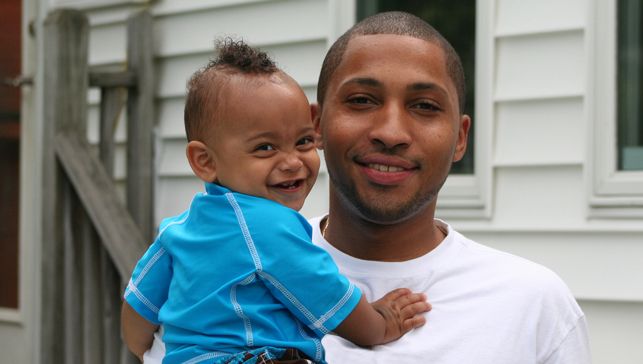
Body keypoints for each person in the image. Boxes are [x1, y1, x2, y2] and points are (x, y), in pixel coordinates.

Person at [146, 11, 592, 364]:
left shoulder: (532, 304)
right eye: (362, 100)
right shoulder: (213, 272)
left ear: (460, 138)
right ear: (316, 125)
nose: (391, 132)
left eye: (424, 105)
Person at [121, 38, 431, 364]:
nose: (292, 161)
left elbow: (136, 322)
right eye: (266, 148)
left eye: (303, 141)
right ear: (205, 161)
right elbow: (326, 294)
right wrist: (381, 324)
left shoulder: (177, 230)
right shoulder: (267, 225)